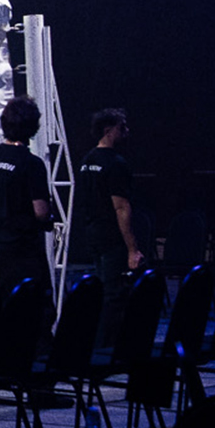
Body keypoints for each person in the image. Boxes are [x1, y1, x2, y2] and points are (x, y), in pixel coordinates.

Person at [0, 97, 54, 296]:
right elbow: (41, 211)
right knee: (27, 305)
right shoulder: (31, 163)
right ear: (33, 126)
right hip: (19, 248)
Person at [74, 108, 142, 346]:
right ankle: (106, 347)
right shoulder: (115, 164)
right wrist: (132, 248)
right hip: (112, 237)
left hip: (93, 233)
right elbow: (121, 207)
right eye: (122, 127)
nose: (127, 131)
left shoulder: (87, 161)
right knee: (114, 294)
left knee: (103, 290)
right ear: (109, 130)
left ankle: (99, 343)